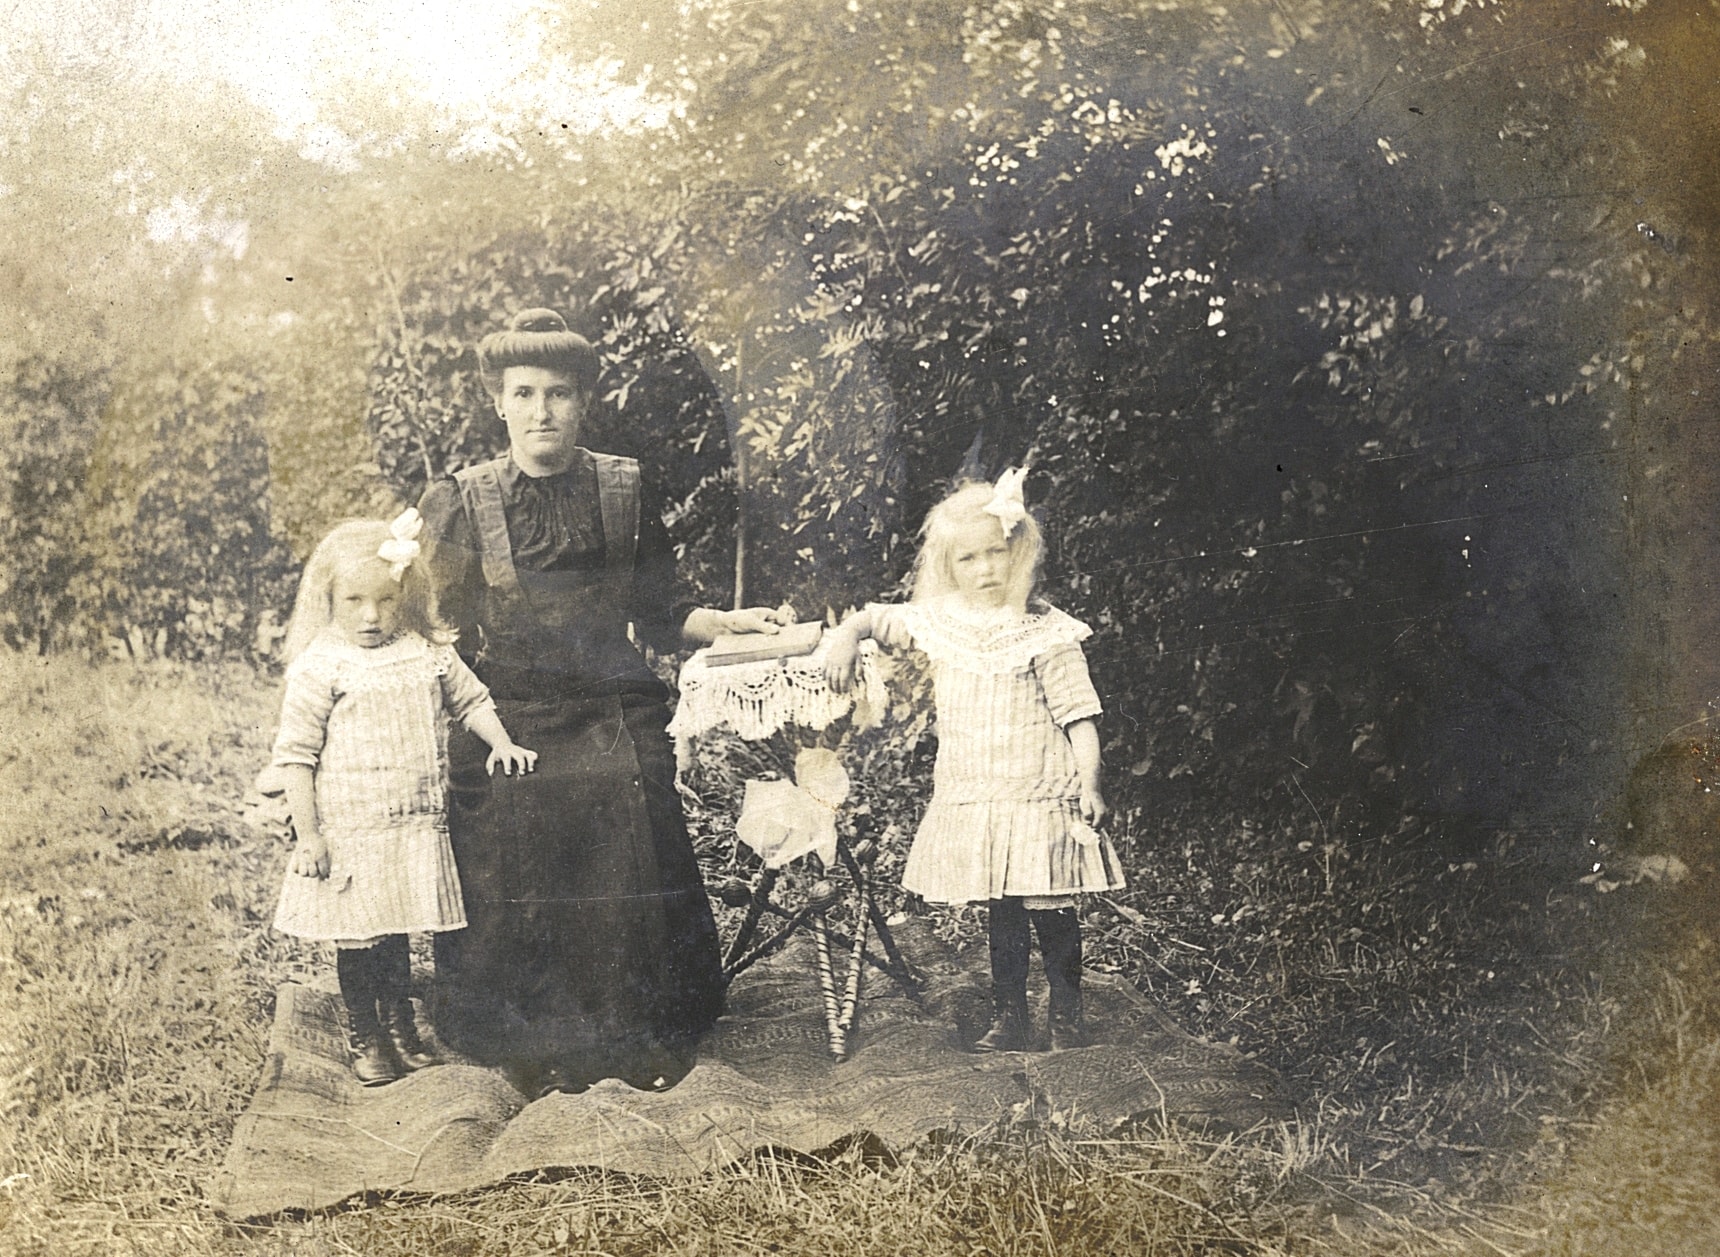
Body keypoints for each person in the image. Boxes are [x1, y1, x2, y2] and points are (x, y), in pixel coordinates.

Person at [417, 307, 791, 1095]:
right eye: (524, 393)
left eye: (558, 393)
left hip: (612, 697)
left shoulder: (621, 487)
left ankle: (639, 1029)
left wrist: (726, 621)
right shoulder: (463, 499)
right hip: (505, 702)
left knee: (631, 796)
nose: (541, 411)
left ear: (582, 400)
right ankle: (525, 1034)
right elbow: (441, 629)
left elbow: (660, 611)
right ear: (500, 403)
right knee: (520, 801)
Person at [824, 469, 1123, 1052]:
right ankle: (1009, 1018)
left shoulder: (1043, 630)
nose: (985, 569)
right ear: (949, 566)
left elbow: (1078, 714)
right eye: (969, 559)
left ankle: (1066, 1014)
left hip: (1040, 790)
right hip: (979, 792)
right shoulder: (940, 622)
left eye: (996, 554)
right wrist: (844, 637)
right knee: (1002, 910)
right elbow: (872, 618)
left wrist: (1090, 781)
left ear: (1020, 554)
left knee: (1051, 909)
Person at [270, 511, 538, 1086]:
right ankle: (365, 1033)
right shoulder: (321, 665)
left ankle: (400, 1030)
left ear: (407, 596)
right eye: (353, 601)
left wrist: (502, 742)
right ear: (330, 600)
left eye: (387, 601)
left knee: (396, 932)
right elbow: (296, 756)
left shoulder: (426, 652)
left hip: (413, 823)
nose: (371, 616)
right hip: (351, 828)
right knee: (361, 939)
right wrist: (310, 835)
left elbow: (472, 701)